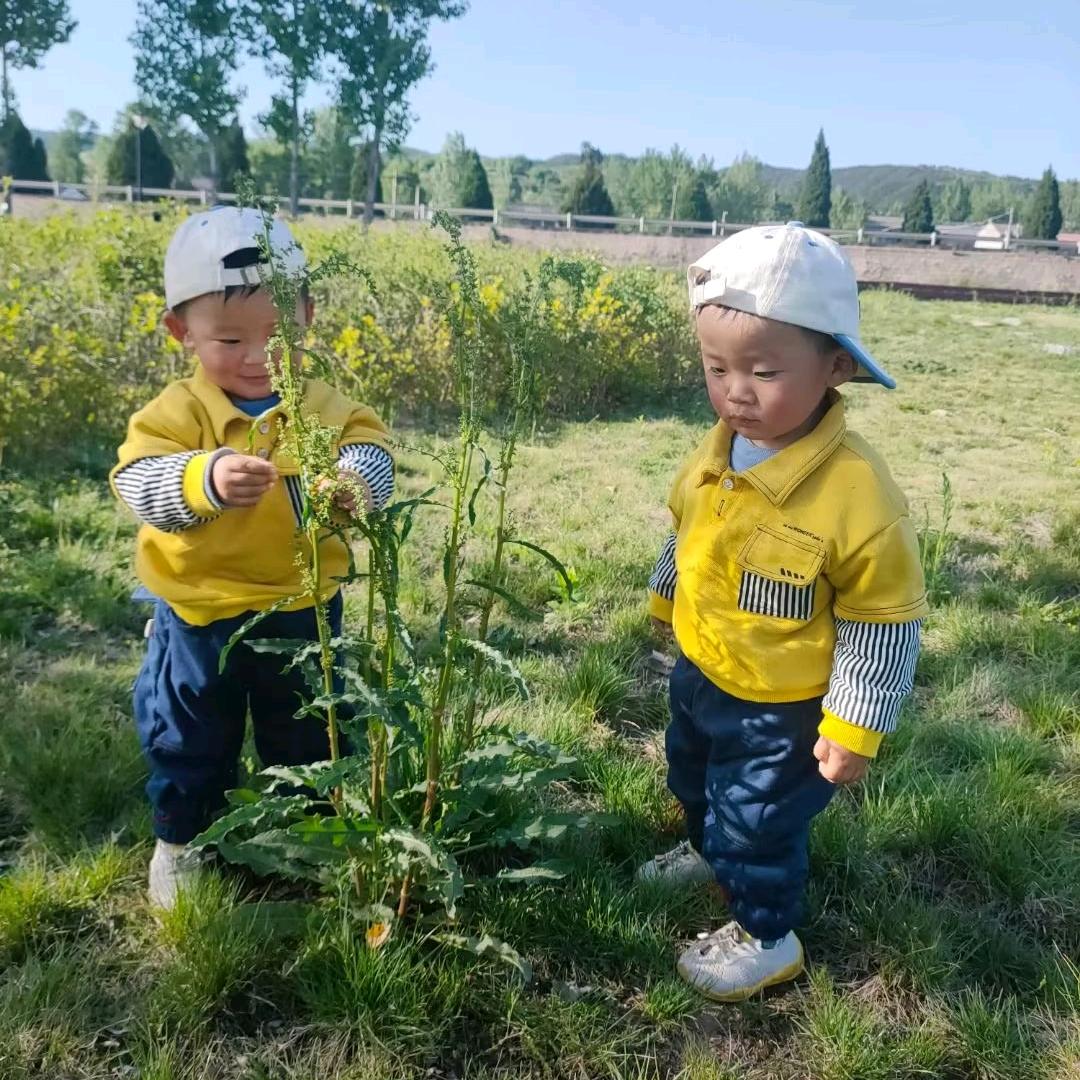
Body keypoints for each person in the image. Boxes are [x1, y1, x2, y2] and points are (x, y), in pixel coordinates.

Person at [640, 222, 927, 1000]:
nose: (736, 390)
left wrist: (855, 724)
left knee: (759, 820)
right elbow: (686, 529)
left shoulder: (857, 494)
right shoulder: (715, 452)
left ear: (836, 365)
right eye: (716, 368)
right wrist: (669, 599)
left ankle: (767, 932)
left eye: (763, 371)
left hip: (783, 707)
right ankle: (708, 848)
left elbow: (883, 621)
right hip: (703, 672)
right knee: (693, 775)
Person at [111, 207, 394, 909]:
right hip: (201, 611)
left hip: (303, 607)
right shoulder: (180, 413)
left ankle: (305, 833)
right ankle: (183, 841)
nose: (259, 355)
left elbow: (372, 446)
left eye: (279, 335)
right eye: (230, 338)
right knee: (190, 733)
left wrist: (359, 482)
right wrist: (202, 480)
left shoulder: (323, 404)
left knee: (308, 730)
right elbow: (137, 482)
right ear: (183, 333)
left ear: (309, 315)